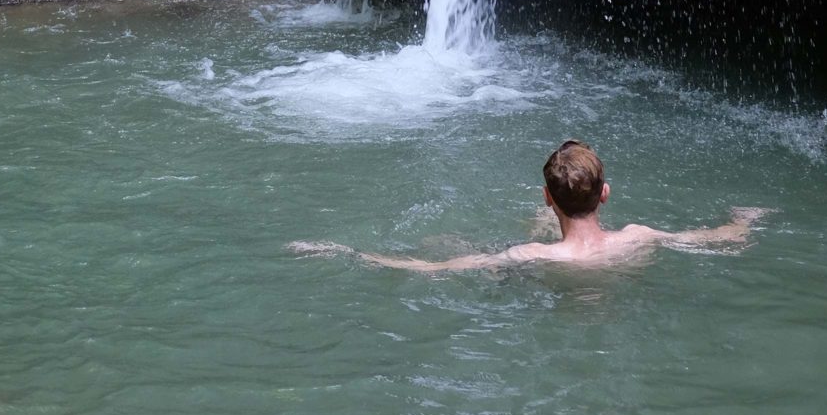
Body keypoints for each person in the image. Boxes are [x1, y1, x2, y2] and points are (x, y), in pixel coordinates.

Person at [291, 139, 773, 273]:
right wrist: (745, 219)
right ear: (605, 194)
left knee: (450, 243)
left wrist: (344, 251)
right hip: (610, 272)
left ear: (547, 194)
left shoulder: (530, 256)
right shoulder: (638, 237)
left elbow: (431, 268)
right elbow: (718, 240)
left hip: (553, 266)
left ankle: (552, 221)